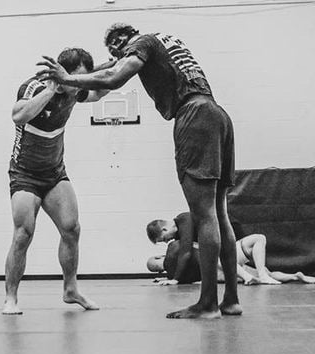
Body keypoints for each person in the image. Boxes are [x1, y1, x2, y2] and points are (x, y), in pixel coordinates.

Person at [38, 25, 241, 318]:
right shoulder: (163, 42)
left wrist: (66, 77)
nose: (117, 55)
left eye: (116, 49)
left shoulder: (142, 44)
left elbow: (113, 78)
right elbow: (105, 77)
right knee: (220, 213)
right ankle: (231, 300)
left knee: (204, 214)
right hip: (217, 114)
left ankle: (208, 303)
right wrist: (86, 78)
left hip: (194, 117)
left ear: (122, 41)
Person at [4, 47, 107, 315]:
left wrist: (119, 69)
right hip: (24, 174)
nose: (79, 86)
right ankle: (11, 298)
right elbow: (18, 116)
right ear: (61, 74)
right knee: (23, 234)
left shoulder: (75, 90)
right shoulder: (35, 86)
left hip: (54, 173)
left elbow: (97, 92)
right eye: (74, 79)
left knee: (71, 229)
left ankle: (70, 290)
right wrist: (51, 90)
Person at [146, 214, 315, 285]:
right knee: (268, 272)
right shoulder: (179, 239)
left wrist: (175, 279)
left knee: (259, 238)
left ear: (164, 229)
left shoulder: (184, 221)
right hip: (225, 259)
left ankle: (259, 275)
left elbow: (186, 253)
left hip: (226, 253)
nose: (167, 241)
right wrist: (171, 276)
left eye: (164, 238)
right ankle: (296, 276)